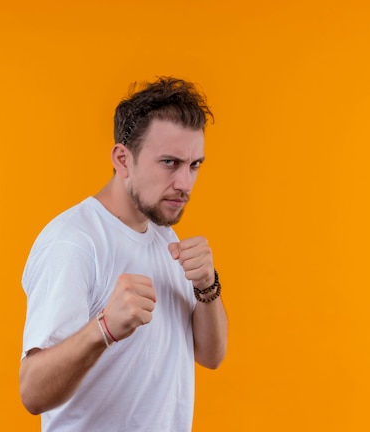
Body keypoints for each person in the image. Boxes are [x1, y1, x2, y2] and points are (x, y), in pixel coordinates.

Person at [19, 76, 228, 431]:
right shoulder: (75, 242)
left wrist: (207, 286)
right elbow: (32, 392)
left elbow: (210, 356)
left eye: (194, 165)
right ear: (123, 159)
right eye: (169, 162)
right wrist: (104, 328)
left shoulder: (165, 235)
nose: (185, 184)